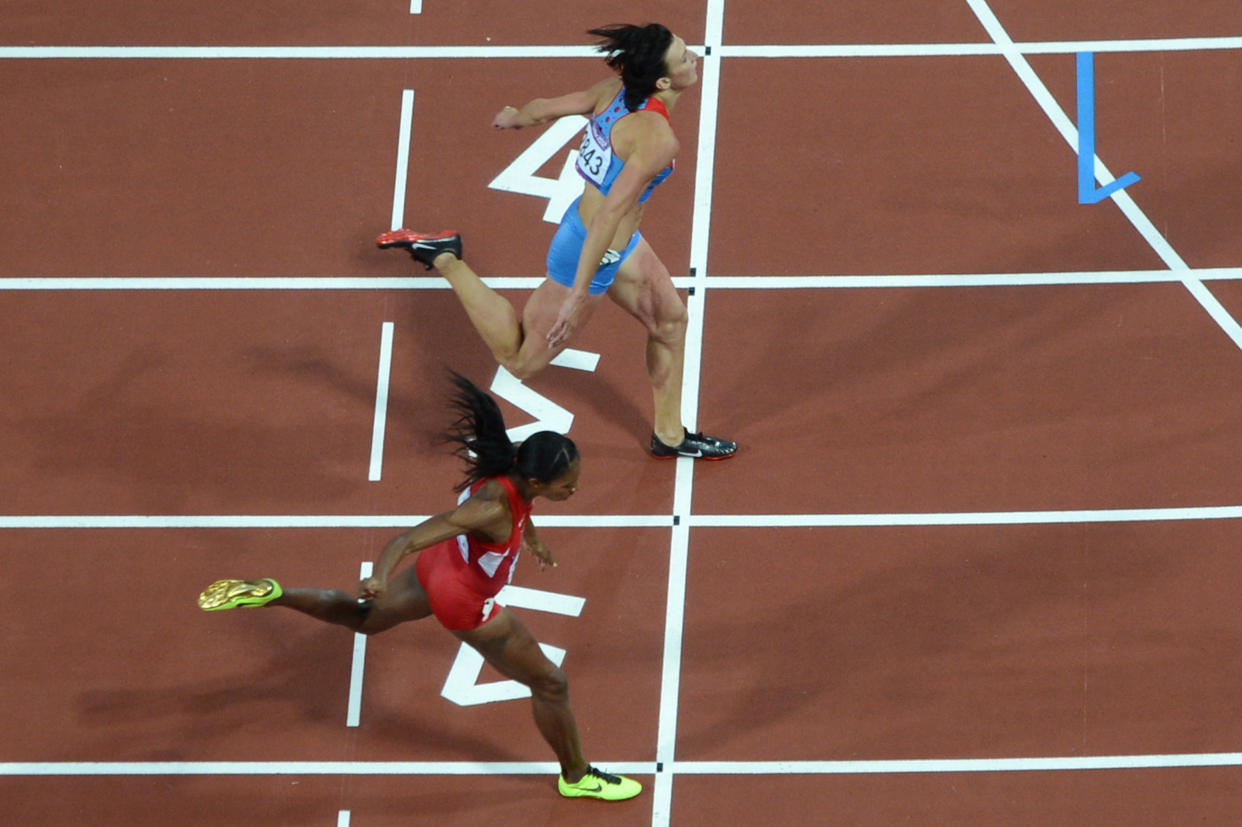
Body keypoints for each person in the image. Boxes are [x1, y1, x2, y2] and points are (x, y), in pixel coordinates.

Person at [196, 371, 642, 802]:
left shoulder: (510, 471)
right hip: (464, 600)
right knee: (550, 684)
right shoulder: (489, 510)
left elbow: (520, 510)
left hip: (439, 569)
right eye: (569, 487)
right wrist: (379, 575)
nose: (576, 491)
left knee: (364, 619)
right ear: (539, 481)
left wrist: (535, 540)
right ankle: (577, 777)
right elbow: (409, 538)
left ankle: (276, 592)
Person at [377, 22, 736, 462]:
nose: (693, 57)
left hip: (616, 242)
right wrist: (578, 293)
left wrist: (516, 117)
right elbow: (608, 216)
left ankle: (670, 435)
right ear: (662, 81)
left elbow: (547, 108)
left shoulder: (614, 90)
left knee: (670, 324)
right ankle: (448, 257)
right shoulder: (657, 139)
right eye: (684, 57)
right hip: (590, 249)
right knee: (522, 362)